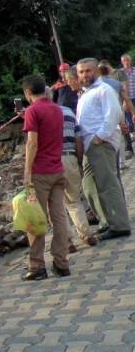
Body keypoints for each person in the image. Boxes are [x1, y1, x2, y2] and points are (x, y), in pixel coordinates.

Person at [20, 75, 71, 281]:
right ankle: (61, 263)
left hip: (40, 172)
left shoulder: (33, 111)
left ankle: (36, 265)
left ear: (27, 92)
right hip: (58, 169)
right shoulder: (56, 109)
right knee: (58, 218)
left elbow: (32, 143)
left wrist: (27, 173)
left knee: (35, 219)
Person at [76, 58, 132, 240]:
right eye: (81, 72)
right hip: (89, 146)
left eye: (88, 71)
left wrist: (99, 137)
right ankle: (107, 221)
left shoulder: (103, 90)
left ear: (96, 71)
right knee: (90, 186)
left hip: (101, 143)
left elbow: (114, 113)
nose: (84, 75)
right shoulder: (85, 94)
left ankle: (119, 224)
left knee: (108, 184)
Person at [57, 102, 97, 248]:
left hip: (53, 160)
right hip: (70, 158)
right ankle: (86, 233)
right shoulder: (68, 111)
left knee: (57, 203)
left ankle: (67, 240)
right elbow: (78, 139)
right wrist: (79, 162)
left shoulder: (39, 112)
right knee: (74, 199)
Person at [98, 64, 135, 167]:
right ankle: (121, 163)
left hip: (102, 114)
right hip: (118, 111)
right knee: (120, 136)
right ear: (108, 72)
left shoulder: (96, 85)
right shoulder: (117, 83)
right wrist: (133, 113)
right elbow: (126, 99)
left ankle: (110, 162)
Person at [121, 54, 135, 156]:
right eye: (124, 60)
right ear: (122, 62)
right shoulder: (120, 73)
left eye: (128, 60)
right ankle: (131, 137)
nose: (126, 61)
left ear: (131, 61)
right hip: (127, 99)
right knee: (129, 120)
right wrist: (124, 101)